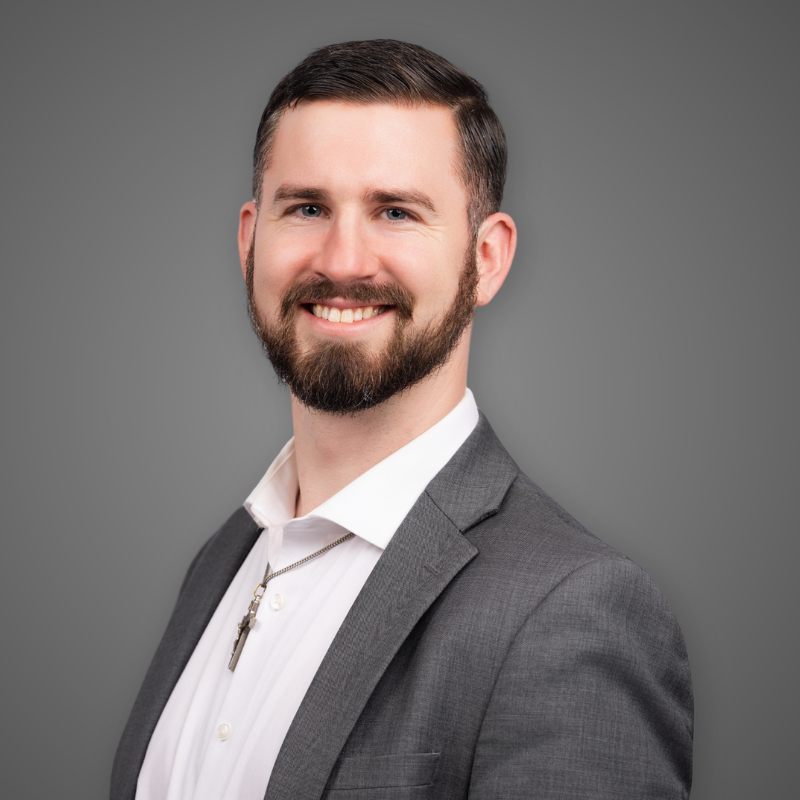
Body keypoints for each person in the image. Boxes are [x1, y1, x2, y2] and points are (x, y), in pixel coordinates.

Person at [112, 40, 693, 800]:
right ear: (251, 239)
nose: (344, 259)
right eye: (308, 208)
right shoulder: (221, 566)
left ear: (486, 258)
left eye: (395, 212)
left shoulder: (572, 612)